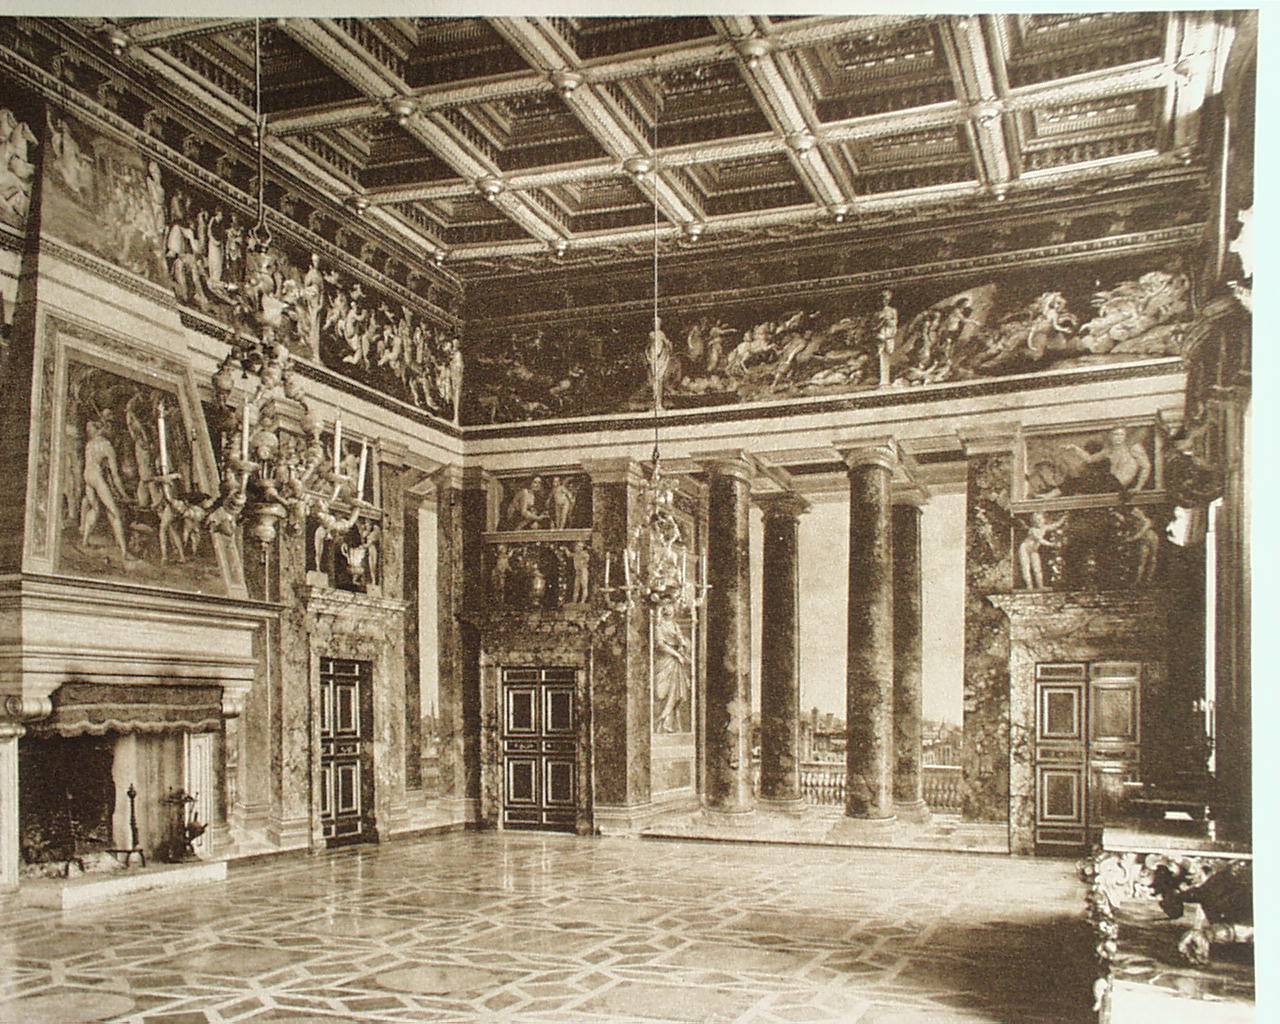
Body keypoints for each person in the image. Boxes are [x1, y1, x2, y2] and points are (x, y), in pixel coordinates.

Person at [79, 418, 132, 563]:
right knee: (114, 513)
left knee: (95, 508)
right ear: (103, 429)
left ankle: (85, 540)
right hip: (96, 478)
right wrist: (124, 494)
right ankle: (124, 552)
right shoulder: (106, 445)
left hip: (87, 476)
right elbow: (115, 475)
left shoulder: (90, 444)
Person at [653, 603, 691, 733]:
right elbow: (660, 645)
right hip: (665, 660)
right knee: (662, 692)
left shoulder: (675, 625)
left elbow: (681, 639)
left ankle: (671, 725)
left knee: (675, 694)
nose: (669, 610)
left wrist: (682, 644)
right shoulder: (658, 626)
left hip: (675, 663)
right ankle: (660, 723)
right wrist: (677, 655)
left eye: (671, 607)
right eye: (665, 607)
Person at [1018, 511, 1066, 590]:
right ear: (1033, 521)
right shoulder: (1032, 530)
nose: (1038, 522)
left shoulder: (1044, 527)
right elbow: (1040, 540)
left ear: (1044, 520)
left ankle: (1040, 585)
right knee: (1026, 567)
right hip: (1024, 549)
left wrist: (1063, 518)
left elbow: (1055, 525)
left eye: (1040, 519)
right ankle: (1029, 586)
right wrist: (1052, 544)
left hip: (1034, 550)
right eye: (1036, 520)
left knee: (1037, 567)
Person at [1122, 507, 1160, 586]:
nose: (1134, 514)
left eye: (1136, 512)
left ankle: (1148, 579)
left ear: (1142, 512)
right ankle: (1137, 580)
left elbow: (1140, 533)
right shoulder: (1135, 521)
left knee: (1152, 558)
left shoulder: (1147, 521)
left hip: (1152, 540)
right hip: (1143, 541)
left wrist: (1130, 539)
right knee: (1141, 560)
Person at [646, 315, 672, 410]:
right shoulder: (651, 334)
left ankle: (659, 403)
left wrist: (668, 348)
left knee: (659, 379)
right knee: (655, 380)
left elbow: (667, 345)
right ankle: (655, 403)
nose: (655, 325)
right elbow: (648, 346)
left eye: (657, 323)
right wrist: (648, 356)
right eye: (654, 323)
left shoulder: (661, 334)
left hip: (660, 357)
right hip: (653, 357)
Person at [873, 289, 898, 387]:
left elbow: (894, 323)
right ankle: (884, 381)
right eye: (883, 299)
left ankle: (889, 379)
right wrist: (881, 323)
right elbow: (874, 327)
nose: (885, 301)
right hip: (881, 336)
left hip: (889, 335)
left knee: (890, 356)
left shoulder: (893, 311)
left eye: (887, 299)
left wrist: (889, 323)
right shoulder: (877, 313)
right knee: (883, 357)